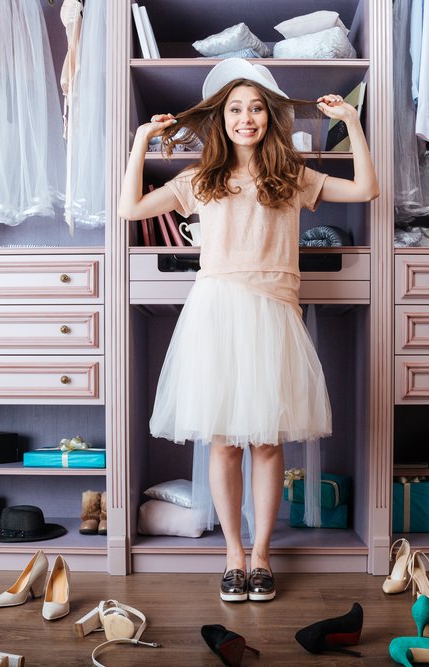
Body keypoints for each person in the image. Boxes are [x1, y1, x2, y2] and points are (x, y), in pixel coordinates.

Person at [118, 58, 379, 603]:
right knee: (224, 444)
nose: (246, 118)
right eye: (236, 109)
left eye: (256, 108)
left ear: (270, 116)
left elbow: (365, 192)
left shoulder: (290, 175)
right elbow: (131, 207)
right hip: (216, 313)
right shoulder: (201, 180)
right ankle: (232, 555)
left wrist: (352, 123)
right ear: (222, 119)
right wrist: (142, 139)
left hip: (272, 313)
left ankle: (262, 555)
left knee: (265, 440)